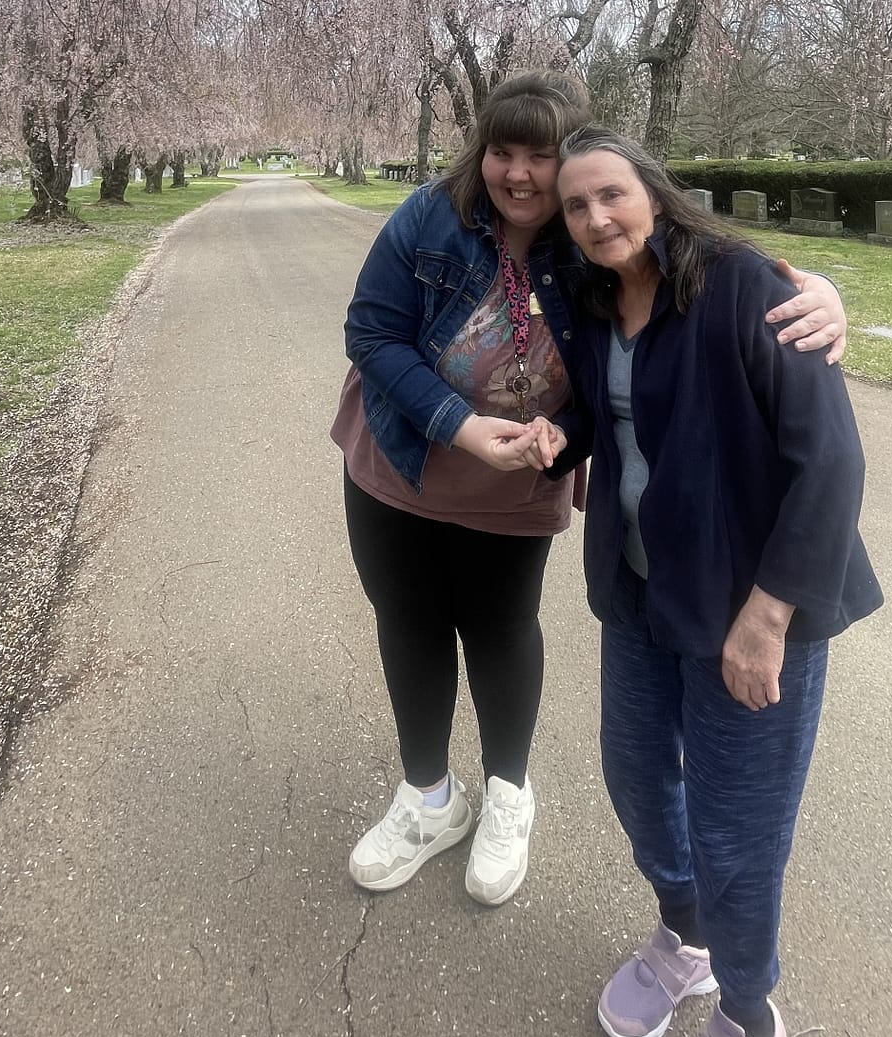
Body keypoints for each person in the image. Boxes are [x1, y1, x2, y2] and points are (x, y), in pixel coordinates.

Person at [331, 71, 849, 908]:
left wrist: (821, 293)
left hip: (521, 476)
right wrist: (458, 425)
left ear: (570, 158)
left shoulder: (589, 236)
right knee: (409, 622)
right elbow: (372, 330)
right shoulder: (433, 214)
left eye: (541, 155)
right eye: (502, 151)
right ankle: (427, 799)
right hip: (402, 462)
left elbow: (703, 267)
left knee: (500, 630)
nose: (519, 174)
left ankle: (507, 796)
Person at [523, 126, 883, 1037]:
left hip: (748, 608)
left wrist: (767, 619)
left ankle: (752, 1026)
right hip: (643, 596)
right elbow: (609, 408)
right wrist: (560, 438)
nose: (596, 216)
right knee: (638, 780)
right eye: (576, 204)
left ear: (654, 191)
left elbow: (832, 462)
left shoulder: (745, 287)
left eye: (612, 194)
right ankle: (686, 940)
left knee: (736, 831)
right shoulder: (596, 297)